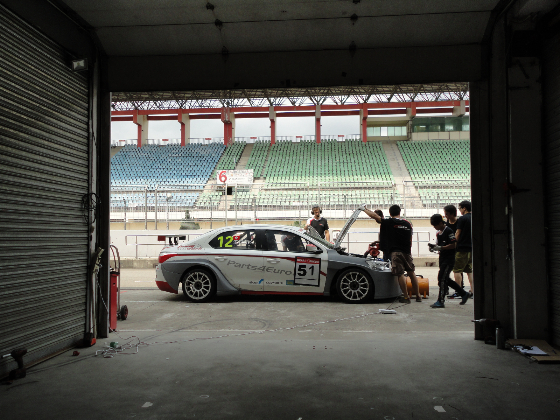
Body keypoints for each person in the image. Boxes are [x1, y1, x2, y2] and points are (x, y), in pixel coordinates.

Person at [361, 204, 422, 303]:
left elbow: (375, 216)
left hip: (396, 252)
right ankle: (418, 296)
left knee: (400, 274)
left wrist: (364, 209)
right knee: (411, 272)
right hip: (407, 251)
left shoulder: (389, 222)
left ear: (390, 213)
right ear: (400, 212)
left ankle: (406, 297)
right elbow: (410, 239)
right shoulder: (407, 223)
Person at [428, 214, 470, 308]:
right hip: (442, 258)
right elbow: (439, 245)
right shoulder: (439, 233)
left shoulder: (448, 231)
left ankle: (441, 301)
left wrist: (441, 248)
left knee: (442, 279)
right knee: (445, 279)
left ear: (440, 223)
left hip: (449, 259)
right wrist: (434, 248)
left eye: (435, 225)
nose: (434, 227)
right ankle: (463, 293)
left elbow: (453, 245)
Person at [453, 200, 473, 296]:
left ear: (464, 208)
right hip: (471, 248)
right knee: (469, 270)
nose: (459, 210)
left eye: (460, 208)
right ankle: (473, 290)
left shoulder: (462, 219)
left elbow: (458, 233)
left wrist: (454, 244)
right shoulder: (474, 217)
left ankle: (459, 291)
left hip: (462, 248)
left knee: (457, 270)